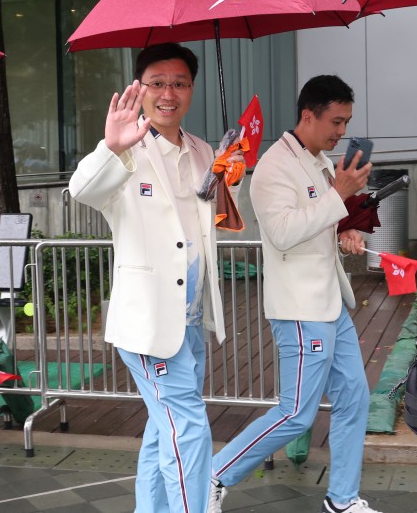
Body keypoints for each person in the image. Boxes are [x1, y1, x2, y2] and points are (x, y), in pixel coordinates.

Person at [68, 42, 242, 513]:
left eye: (180, 83)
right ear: (139, 89)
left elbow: (212, 222)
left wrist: (231, 176)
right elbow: (81, 190)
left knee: (163, 428)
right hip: (147, 322)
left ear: (192, 89)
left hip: (190, 317)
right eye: (157, 83)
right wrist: (111, 147)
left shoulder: (205, 151)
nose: (169, 93)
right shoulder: (125, 151)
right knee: (187, 427)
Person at [207, 75, 381, 513]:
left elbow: (320, 220)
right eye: (336, 121)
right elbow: (283, 234)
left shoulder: (318, 160)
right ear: (308, 115)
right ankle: (214, 474)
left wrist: (349, 228)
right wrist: (338, 195)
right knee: (296, 413)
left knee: (354, 399)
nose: (341, 131)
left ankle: (342, 498)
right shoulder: (272, 167)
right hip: (301, 309)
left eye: (346, 122)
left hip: (329, 304)